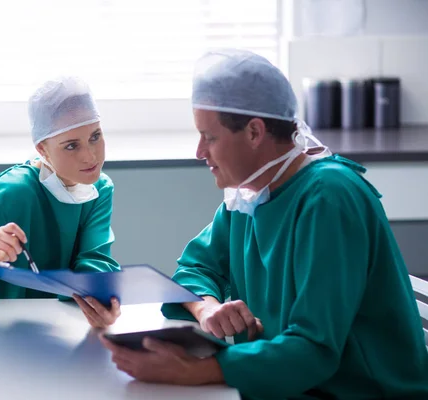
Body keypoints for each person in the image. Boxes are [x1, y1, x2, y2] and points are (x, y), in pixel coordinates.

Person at [101, 49, 428, 399]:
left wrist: (196, 372)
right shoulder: (249, 197)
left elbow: (315, 348)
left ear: (255, 132)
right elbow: (194, 268)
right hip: (292, 383)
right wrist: (208, 308)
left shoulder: (329, 198)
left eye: (209, 137)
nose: (199, 152)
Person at [0, 76, 121, 328]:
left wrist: (102, 296)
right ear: (42, 150)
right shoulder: (8, 196)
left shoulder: (98, 189)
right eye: (71, 146)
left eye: (95, 136)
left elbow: (95, 256)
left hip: (61, 329)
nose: (90, 155)